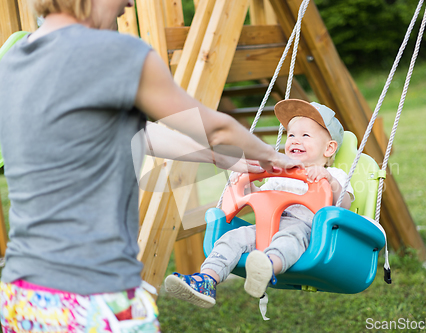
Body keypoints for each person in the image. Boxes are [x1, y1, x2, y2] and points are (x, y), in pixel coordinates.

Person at [0, 0, 303, 330]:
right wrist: (272, 156)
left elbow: (134, 134)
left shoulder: (13, 60)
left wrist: (220, 158)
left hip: (21, 297)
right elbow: (215, 129)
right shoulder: (116, 52)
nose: (129, 3)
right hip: (95, 295)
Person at [164, 99, 355, 308]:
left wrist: (328, 179)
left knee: (289, 238)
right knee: (231, 238)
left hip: (307, 231)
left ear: (329, 148)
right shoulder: (280, 174)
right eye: (291, 135)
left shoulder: (335, 175)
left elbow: (342, 204)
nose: (295, 140)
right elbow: (261, 198)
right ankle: (207, 280)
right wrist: (246, 185)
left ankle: (267, 267)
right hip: (266, 228)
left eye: (305, 135)